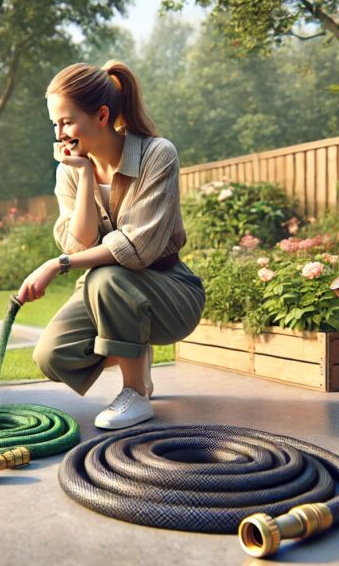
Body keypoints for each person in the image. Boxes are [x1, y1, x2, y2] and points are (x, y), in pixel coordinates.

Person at [17, 60, 205, 430]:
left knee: (105, 275)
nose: (59, 134)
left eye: (67, 122)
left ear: (101, 115)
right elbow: (78, 242)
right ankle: (134, 348)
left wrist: (57, 265)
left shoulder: (157, 154)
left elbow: (135, 247)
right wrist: (84, 175)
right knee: (52, 356)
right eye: (54, 124)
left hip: (171, 292)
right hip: (108, 294)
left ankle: (136, 391)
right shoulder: (69, 170)